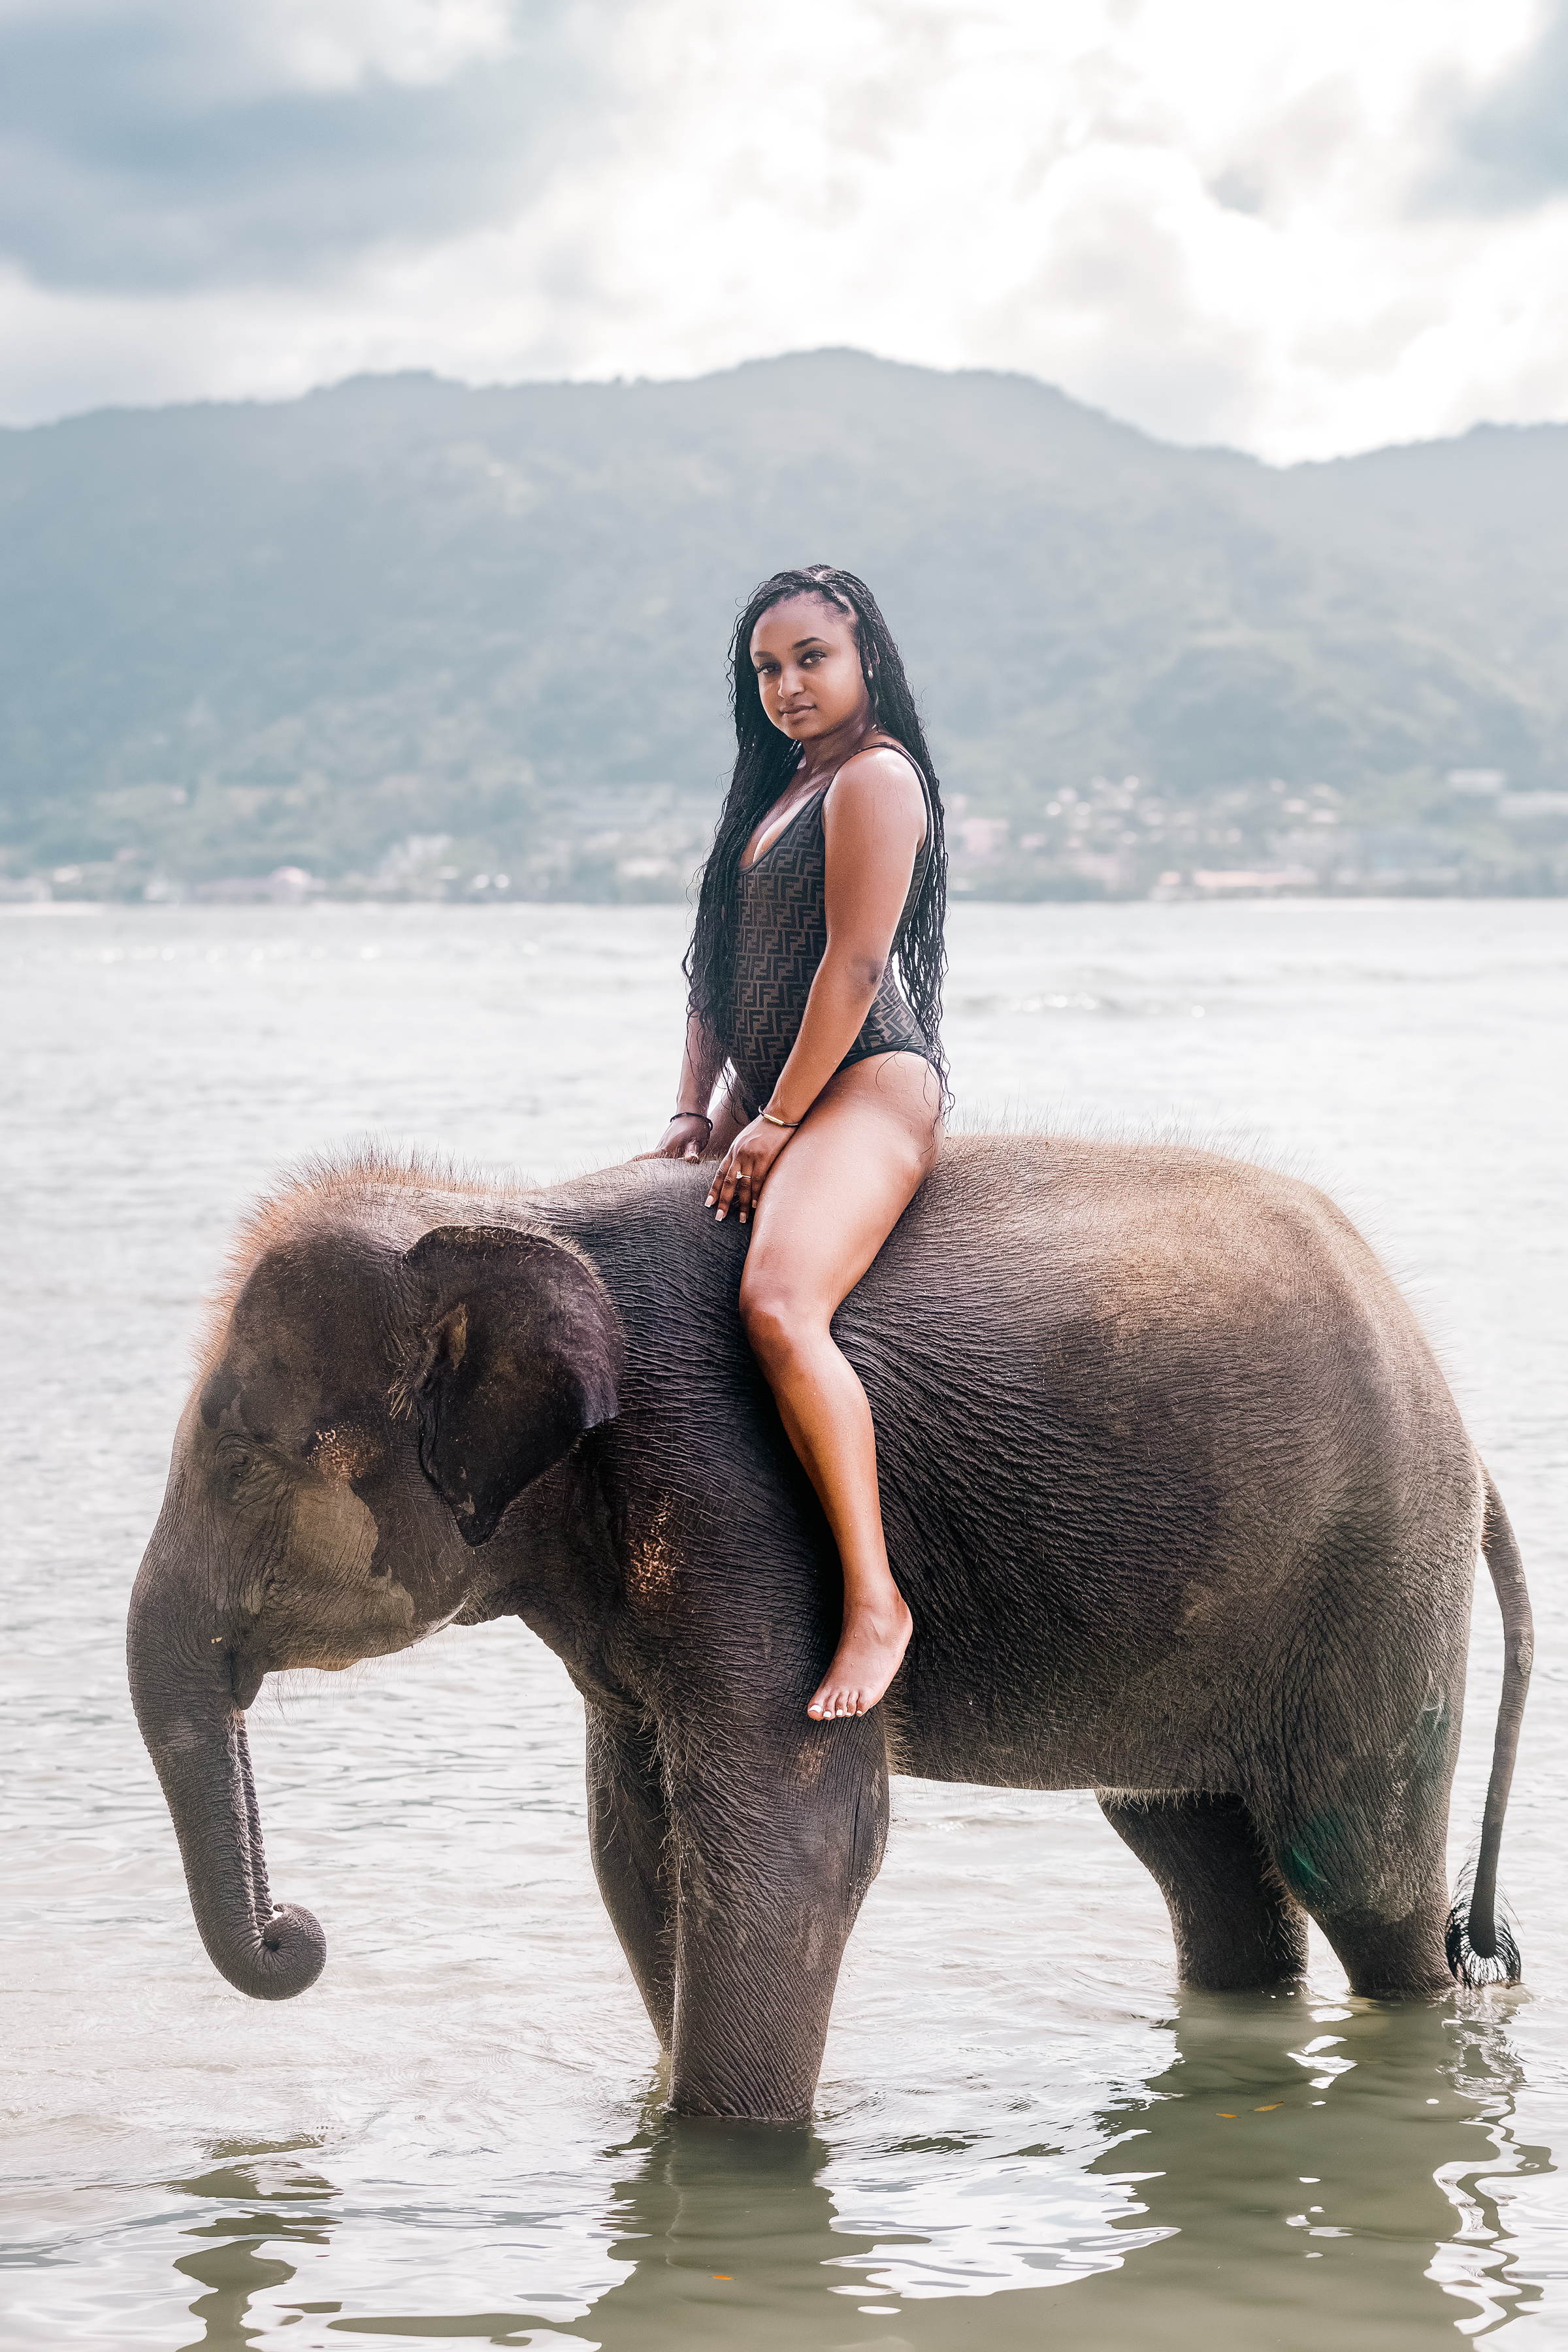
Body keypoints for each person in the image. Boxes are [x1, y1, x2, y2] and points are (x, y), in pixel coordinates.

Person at [649, 564, 949, 1722]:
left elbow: (856, 967)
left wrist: (773, 1122)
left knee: (778, 1304)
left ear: (865, 653)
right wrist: (691, 1113)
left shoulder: (874, 779)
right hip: (766, 1090)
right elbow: (715, 978)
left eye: (811, 659)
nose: (787, 686)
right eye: (766, 669)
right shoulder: (775, 793)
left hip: (865, 1086)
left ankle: (877, 1601)